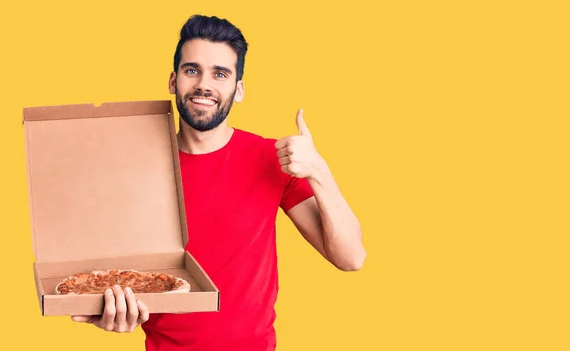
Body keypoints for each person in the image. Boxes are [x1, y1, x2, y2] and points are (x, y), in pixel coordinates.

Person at [71, 14, 366, 351]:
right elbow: (117, 271)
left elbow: (351, 258)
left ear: (238, 89)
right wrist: (114, 309)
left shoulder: (272, 159)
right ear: (173, 80)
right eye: (192, 70)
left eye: (220, 74)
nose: (203, 85)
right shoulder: (134, 167)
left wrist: (318, 171)